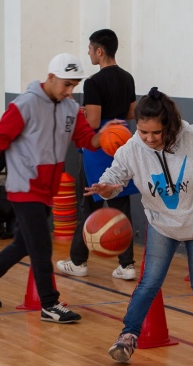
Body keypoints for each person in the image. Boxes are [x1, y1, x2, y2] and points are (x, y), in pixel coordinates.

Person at [88, 87, 193, 363]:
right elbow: (115, 176)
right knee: (149, 283)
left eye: (156, 133)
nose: (149, 138)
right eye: (144, 132)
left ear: (170, 125)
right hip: (161, 224)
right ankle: (128, 336)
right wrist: (107, 188)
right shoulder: (133, 148)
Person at [0, 53, 106, 323]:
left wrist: (110, 134)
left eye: (74, 86)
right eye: (66, 84)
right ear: (51, 77)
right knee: (42, 245)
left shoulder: (69, 107)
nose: (70, 91)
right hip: (24, 185)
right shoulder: (25, 104)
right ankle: (50, 304)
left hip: (47, 188)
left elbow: (87, 141)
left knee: (24, 244)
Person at [56, 29, 138, 280]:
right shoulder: (128, 77)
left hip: (99, 147)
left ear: (100, 51)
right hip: (122, 145)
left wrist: (82, 115)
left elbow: (92, 120)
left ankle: (78, 262)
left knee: (89, 205)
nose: (89, 53)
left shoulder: (93, 82)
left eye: (90, 49)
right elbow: (131, 113)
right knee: (120, 207)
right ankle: (127, 265)